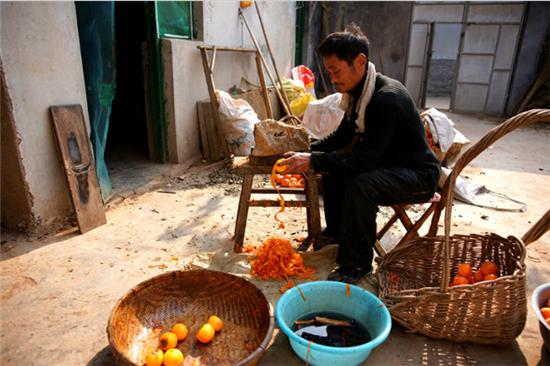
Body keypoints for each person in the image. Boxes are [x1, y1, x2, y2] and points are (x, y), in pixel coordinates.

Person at [279, 24, 441, 284]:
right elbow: (342, 136)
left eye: (336, 70)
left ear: (360, 61)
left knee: (361, 183)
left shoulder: (385, 99)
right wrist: (307, 151)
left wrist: (312, 161)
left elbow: (364, 160)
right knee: (335, 169)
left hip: (418, 175)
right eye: (329, 71)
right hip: (391, 165)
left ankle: (356, 265)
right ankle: (338, 233)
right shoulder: (359, 93)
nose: (333, 78)